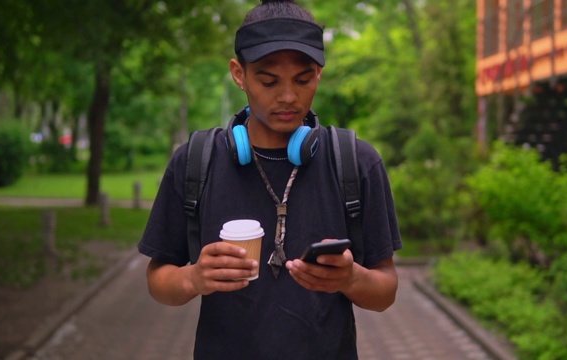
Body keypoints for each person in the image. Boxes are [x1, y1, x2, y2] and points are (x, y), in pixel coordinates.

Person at [138, 0, 402, 358]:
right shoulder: (195, 161)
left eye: (303, 79)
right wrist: (192, 278)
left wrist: (351, 278)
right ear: (239, 74)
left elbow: (385, 291)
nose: (289, 96)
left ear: (319, 75)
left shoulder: (357, 162)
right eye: (268, 80)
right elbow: (158, 279)